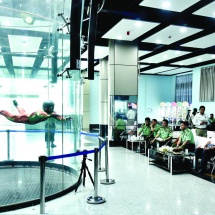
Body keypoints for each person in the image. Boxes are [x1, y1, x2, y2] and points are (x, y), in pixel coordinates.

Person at [0, 100, 71, 125]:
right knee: (10, 116)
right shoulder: (41, 113)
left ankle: (17, 105)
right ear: (47, 108)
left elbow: (58, 117)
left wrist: (65, 119)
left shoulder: (51, 113)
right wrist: (50, 116)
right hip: (26, 119)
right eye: (51, 107)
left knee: (22, 112)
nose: (53, 108)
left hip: (30, 118)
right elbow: (38, 116)